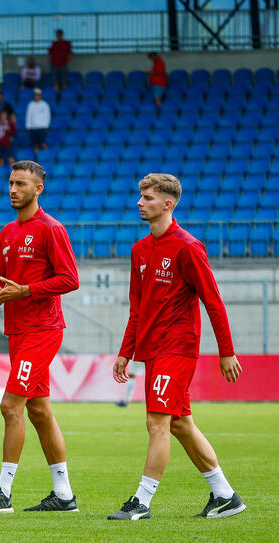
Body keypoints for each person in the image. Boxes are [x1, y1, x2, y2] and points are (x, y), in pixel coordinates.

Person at [107, 173, 245, 521]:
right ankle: (226, 495)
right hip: (151, 351)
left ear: (168, 204)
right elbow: (136, 307)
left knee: (157, 423)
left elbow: (213, 301)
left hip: (177, 348)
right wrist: (126, 351)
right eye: (140, 196)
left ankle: (141, 502)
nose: (140, 202)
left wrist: (226, 351)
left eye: (148, 198)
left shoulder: (187, 247)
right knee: (180, 424)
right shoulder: (139, 249)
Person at [0, 160, 80, 514]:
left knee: (9, 406)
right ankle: (63, 495)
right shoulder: (6, 232)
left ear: (38, 189)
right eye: (11, 183)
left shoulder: (51, 229)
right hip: (18, 331)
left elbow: (69, 279)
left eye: (20, 183)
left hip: (42, 330)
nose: (13, 189)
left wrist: (24, 292)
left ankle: (3, 491)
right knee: (39, 411)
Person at [25, 89, 51, 157]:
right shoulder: (30, 105)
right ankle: (36, 156)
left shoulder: (45, 104)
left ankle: (46, 155)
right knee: (35, 144)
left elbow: (47, 115)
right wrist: (28, 126)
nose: (37, 96)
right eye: (35, 95)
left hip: (42, 127)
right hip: (33, 127)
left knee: (43, 142)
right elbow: (28, 115)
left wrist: (46, 125)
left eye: (38, 95)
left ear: (40, 96)